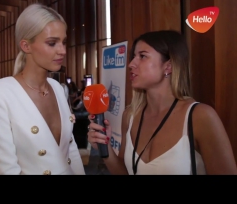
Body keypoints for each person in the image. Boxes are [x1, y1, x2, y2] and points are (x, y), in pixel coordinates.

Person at [87, 30, 237, 175]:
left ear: (168, 66)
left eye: (143, 56)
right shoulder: (130, 115)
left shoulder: (200, 116)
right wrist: (105, 148)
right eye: (133, 56)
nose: (131, 64)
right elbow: (126, 172)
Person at [0, 3, 85, 175]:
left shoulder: (59, 89)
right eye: (52, 43)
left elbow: (70, 149)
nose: (63, 51)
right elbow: (7, 169)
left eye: (64, 42)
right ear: (26, 46)